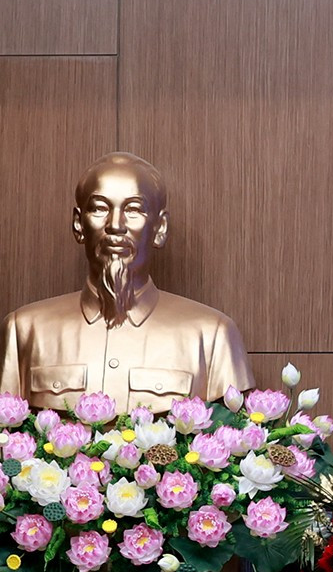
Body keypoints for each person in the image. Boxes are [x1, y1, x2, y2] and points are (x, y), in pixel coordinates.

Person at [1, 152, 250, 410]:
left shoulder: (211, 336)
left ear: (160, 228)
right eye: (99, 208)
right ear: (78, 224)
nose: (116, 225)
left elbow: (234, 434)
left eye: (133, 209)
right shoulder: (25, 331)